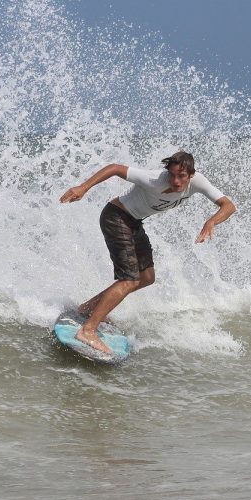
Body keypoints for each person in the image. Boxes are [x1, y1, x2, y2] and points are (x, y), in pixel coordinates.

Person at [59, 151, 236, 355]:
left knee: (146, 277)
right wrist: (83, 187)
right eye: (172, 175)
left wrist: (211, 221)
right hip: (116, 217)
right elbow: (115, 168)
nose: (176, 181)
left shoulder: (198, 182)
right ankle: (88, 330)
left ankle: (88, 308)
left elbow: (228, 206)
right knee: (129, 280)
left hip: (133, 222)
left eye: (182, 176)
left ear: (191, 175)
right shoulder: (154, 179)